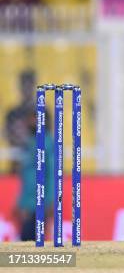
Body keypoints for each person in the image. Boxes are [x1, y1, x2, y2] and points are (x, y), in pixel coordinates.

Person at [4, 70, 54, 241]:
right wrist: (21, 204)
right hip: (29, 205)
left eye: (33, 118)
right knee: (26, 246)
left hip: (38, 205)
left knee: (33, 248)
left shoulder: (47, 143)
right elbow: (28, 179)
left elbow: (52, 175)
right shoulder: (31, 144)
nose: (28, 122)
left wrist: (49, 202)